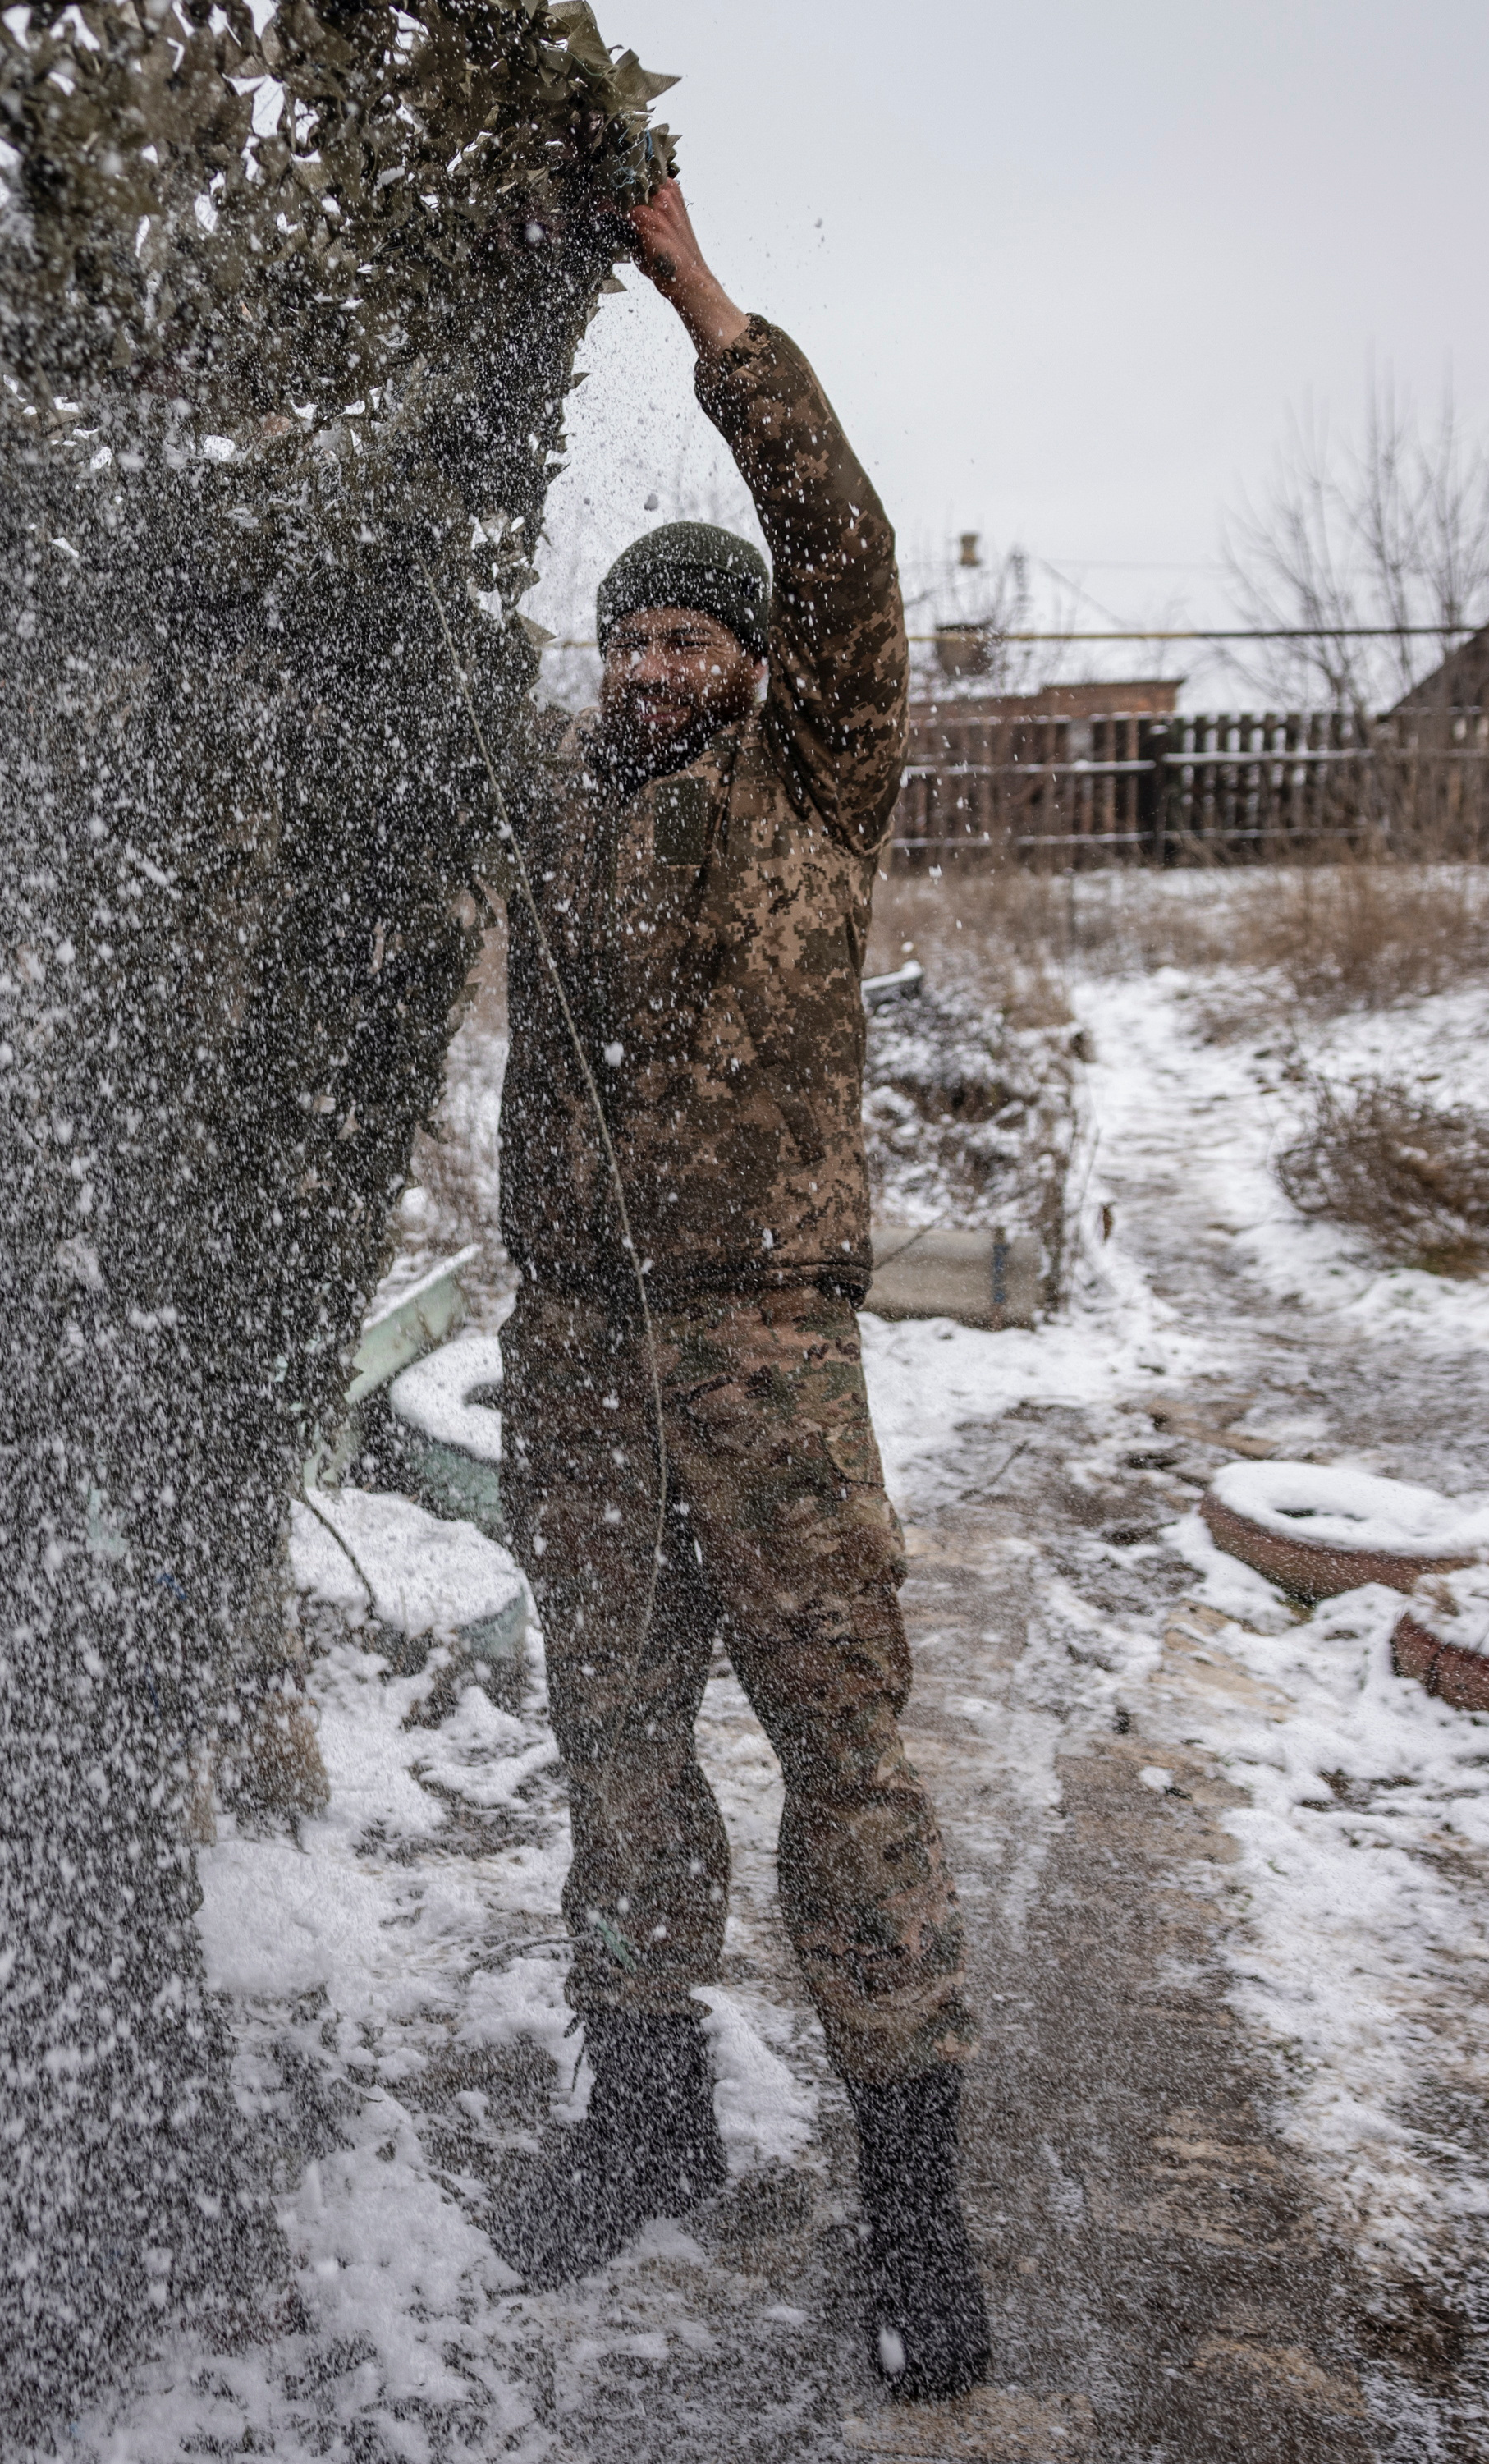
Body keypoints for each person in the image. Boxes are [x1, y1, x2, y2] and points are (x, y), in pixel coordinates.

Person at [483, 178, 989, 2402]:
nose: (649, 666)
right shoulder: (551, 808)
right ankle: (643, 2122)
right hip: (581, 1363)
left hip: (764, 1357)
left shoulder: (813, 774)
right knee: (612, 1745)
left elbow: (844, 540)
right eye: (628, 639)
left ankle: (911, 2209)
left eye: (685, 638)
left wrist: (695, 295)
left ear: (752, 666)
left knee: (839, 1761)